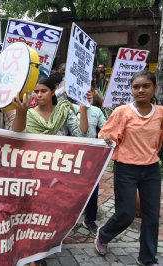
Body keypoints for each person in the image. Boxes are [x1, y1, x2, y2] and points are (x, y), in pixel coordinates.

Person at [12, 76, 89, 266]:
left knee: (50, 213)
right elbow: (17, 135)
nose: (39, 95)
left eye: (43, 91)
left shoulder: (64, 112)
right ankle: (32, 257)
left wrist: (83, 111)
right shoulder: (28, 114)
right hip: (33, 173)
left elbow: (82, 134)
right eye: (36, 91)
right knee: (32, 213)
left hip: (59, 175)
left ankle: (43, 248)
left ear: (53, 92)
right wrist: (20, 114)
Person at [95, 70, 162, 266]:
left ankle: (147, 258)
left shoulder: (160, 113)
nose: (140, 90)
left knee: (151, 215)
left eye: (145, 86)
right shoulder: (122, 112)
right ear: (131, 90)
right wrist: (106, 138)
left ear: (154, 88)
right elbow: (104, 134)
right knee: (126, 213)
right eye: (136, 87)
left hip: (151, 169)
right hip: (126, 169)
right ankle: (104, 234)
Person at [71, 90, 107, 235]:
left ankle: (89, 219)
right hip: (71, 154)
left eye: (89, 92)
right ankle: (69, 216)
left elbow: (106, 128)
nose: (87, 94)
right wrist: (82, 111)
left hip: (91, 155)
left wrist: (106, 135)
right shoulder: (68, 109)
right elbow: (81, 132)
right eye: (82, 91)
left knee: (93, 186)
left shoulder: (97, 111)